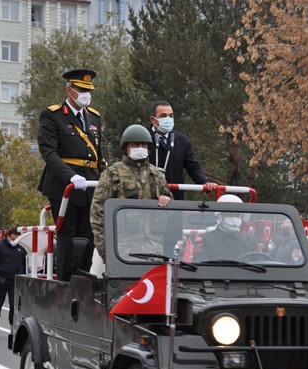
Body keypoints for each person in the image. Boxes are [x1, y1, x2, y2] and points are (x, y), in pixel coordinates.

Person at [37, 69, 106, 281]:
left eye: (89, 90)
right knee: (68, 234)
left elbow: (98, 154)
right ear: (69, 90)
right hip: (64, 185)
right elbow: (49, 153)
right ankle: (66, 282)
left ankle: (84, 280)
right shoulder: (53, 115)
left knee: (89, 235)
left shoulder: (93, 117)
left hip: (90, 183)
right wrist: (70, 177)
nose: (86, 94)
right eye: (82, 89)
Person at [91, 124, 172, 263]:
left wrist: (167, 199)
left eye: (144, 145)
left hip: (154, 247)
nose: (140, 148)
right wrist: (104, 250)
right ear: (125, 148)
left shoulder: (157, 175)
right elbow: (98, 214)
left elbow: (170, 209)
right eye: (135, 145)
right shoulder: (112, 174)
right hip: (122, 248)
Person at [147, 100, 215, 199]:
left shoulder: (182, 140)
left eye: (171, 116)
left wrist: (205, 182)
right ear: (153, 120)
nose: (168, 119)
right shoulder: (142, 139)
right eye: (163, 116)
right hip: (147, 200)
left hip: (174, 200)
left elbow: (193, 166)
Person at [0, 228, 27, 337]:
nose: (17, 239)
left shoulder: (22, 247)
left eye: (19, 237)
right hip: (1, 280)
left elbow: (26, 262)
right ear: (9, 235)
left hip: (15, 281)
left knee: (14, 305)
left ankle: (12, 328)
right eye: (15, 236)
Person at [197, 194, 259, 262]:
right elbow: (201, 266)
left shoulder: (250, 240)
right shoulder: (205, 240)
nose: (234, 219)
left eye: (238, 215)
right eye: (229, 215)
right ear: (219, 216)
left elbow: (260, 263)